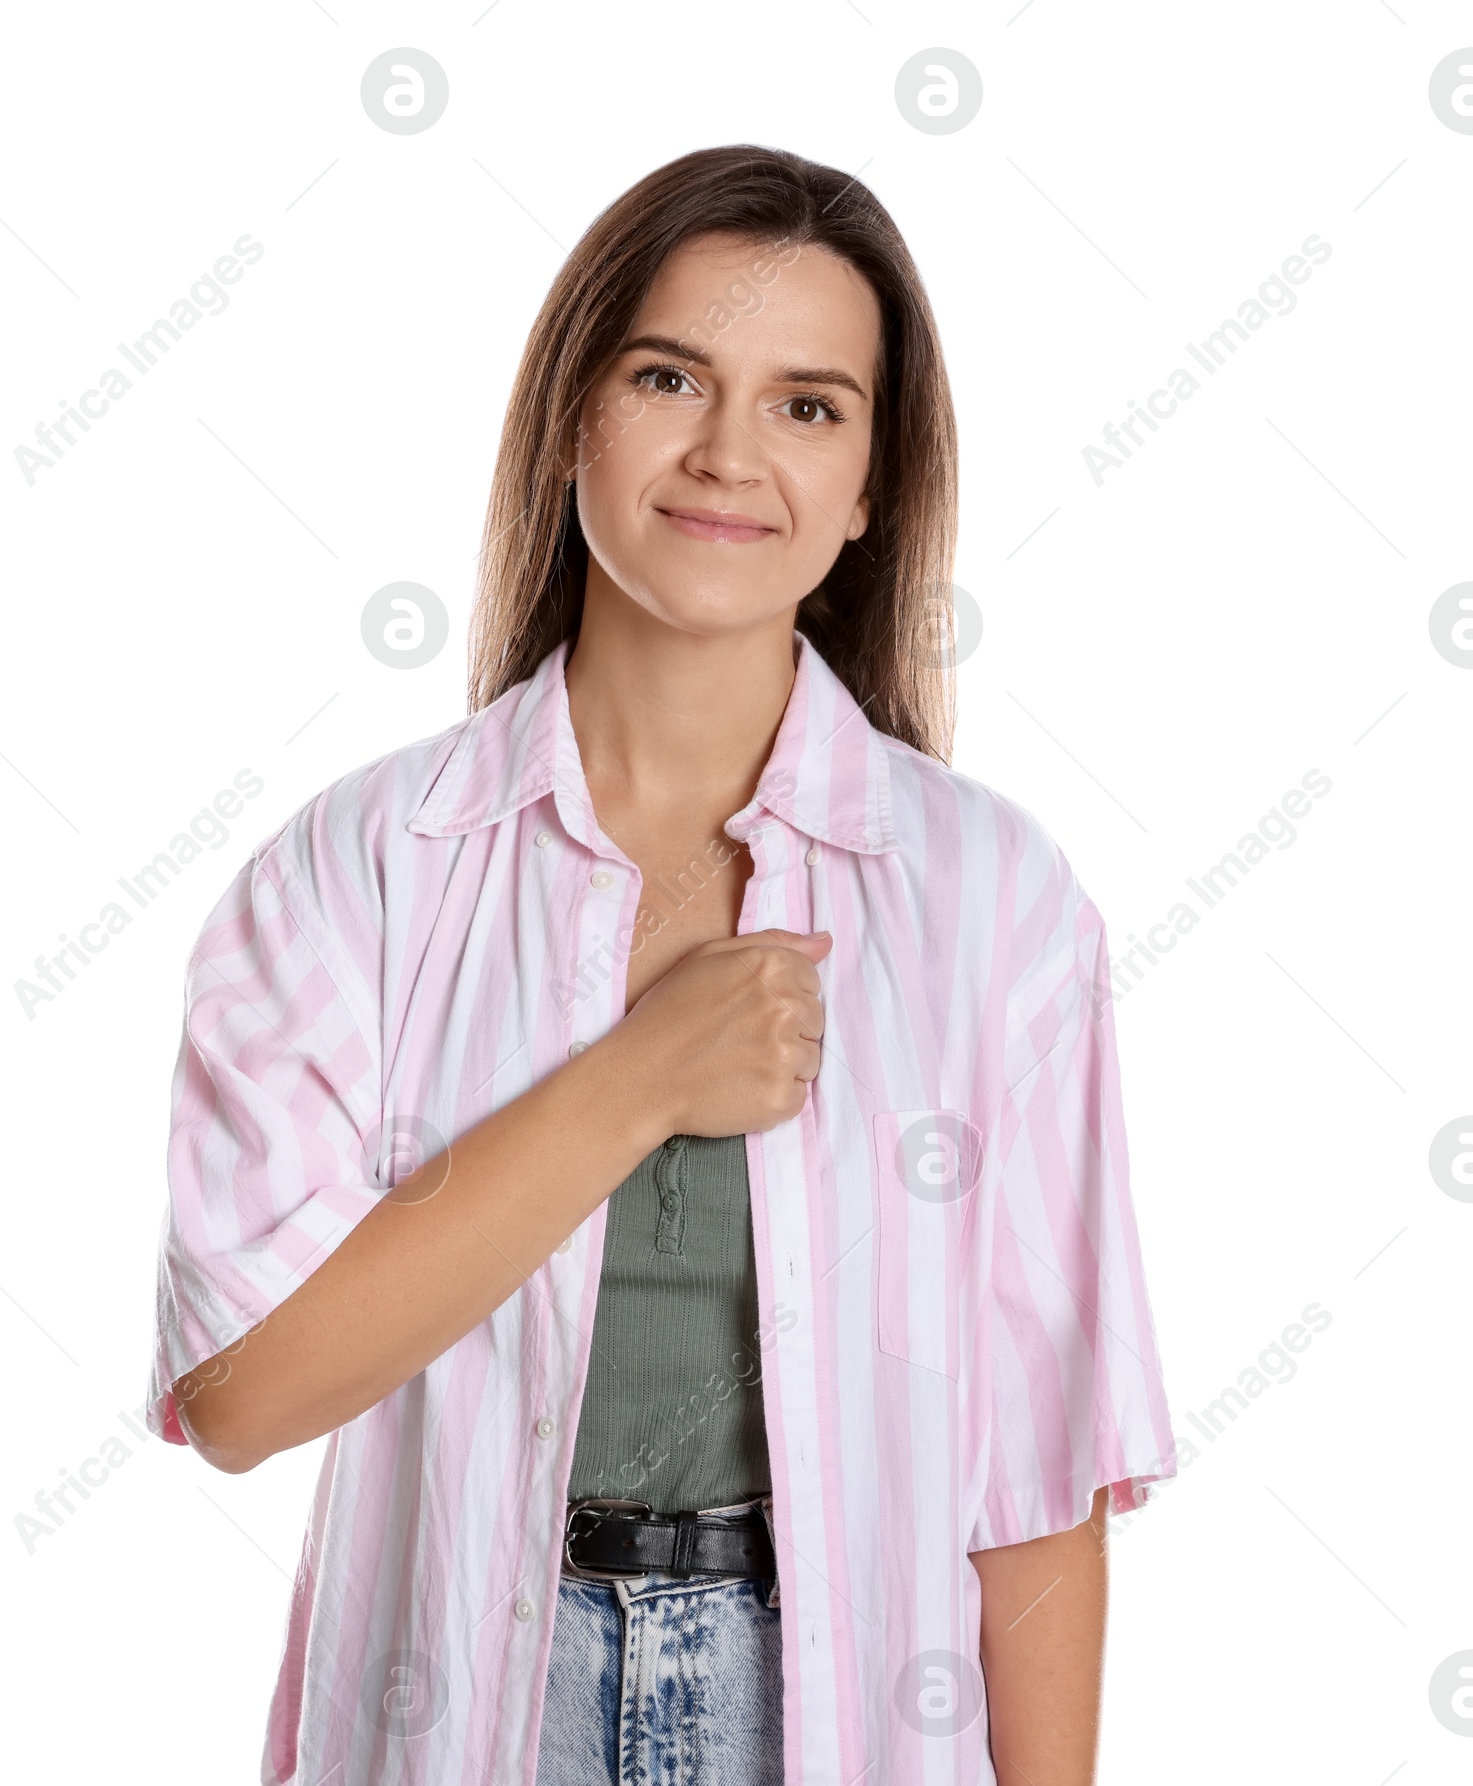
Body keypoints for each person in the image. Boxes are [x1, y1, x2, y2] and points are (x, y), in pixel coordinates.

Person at [145, 143, 1176, 1786]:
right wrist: (634, 1081)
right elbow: (246, 1391)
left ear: (868, 496)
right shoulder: (362, 869)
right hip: (474, 1698)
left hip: (830, 1715)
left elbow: (1034, 1479)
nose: (727, 452)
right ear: (575, 415)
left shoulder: (996, 902)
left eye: (809, 406)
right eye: (671, 374)